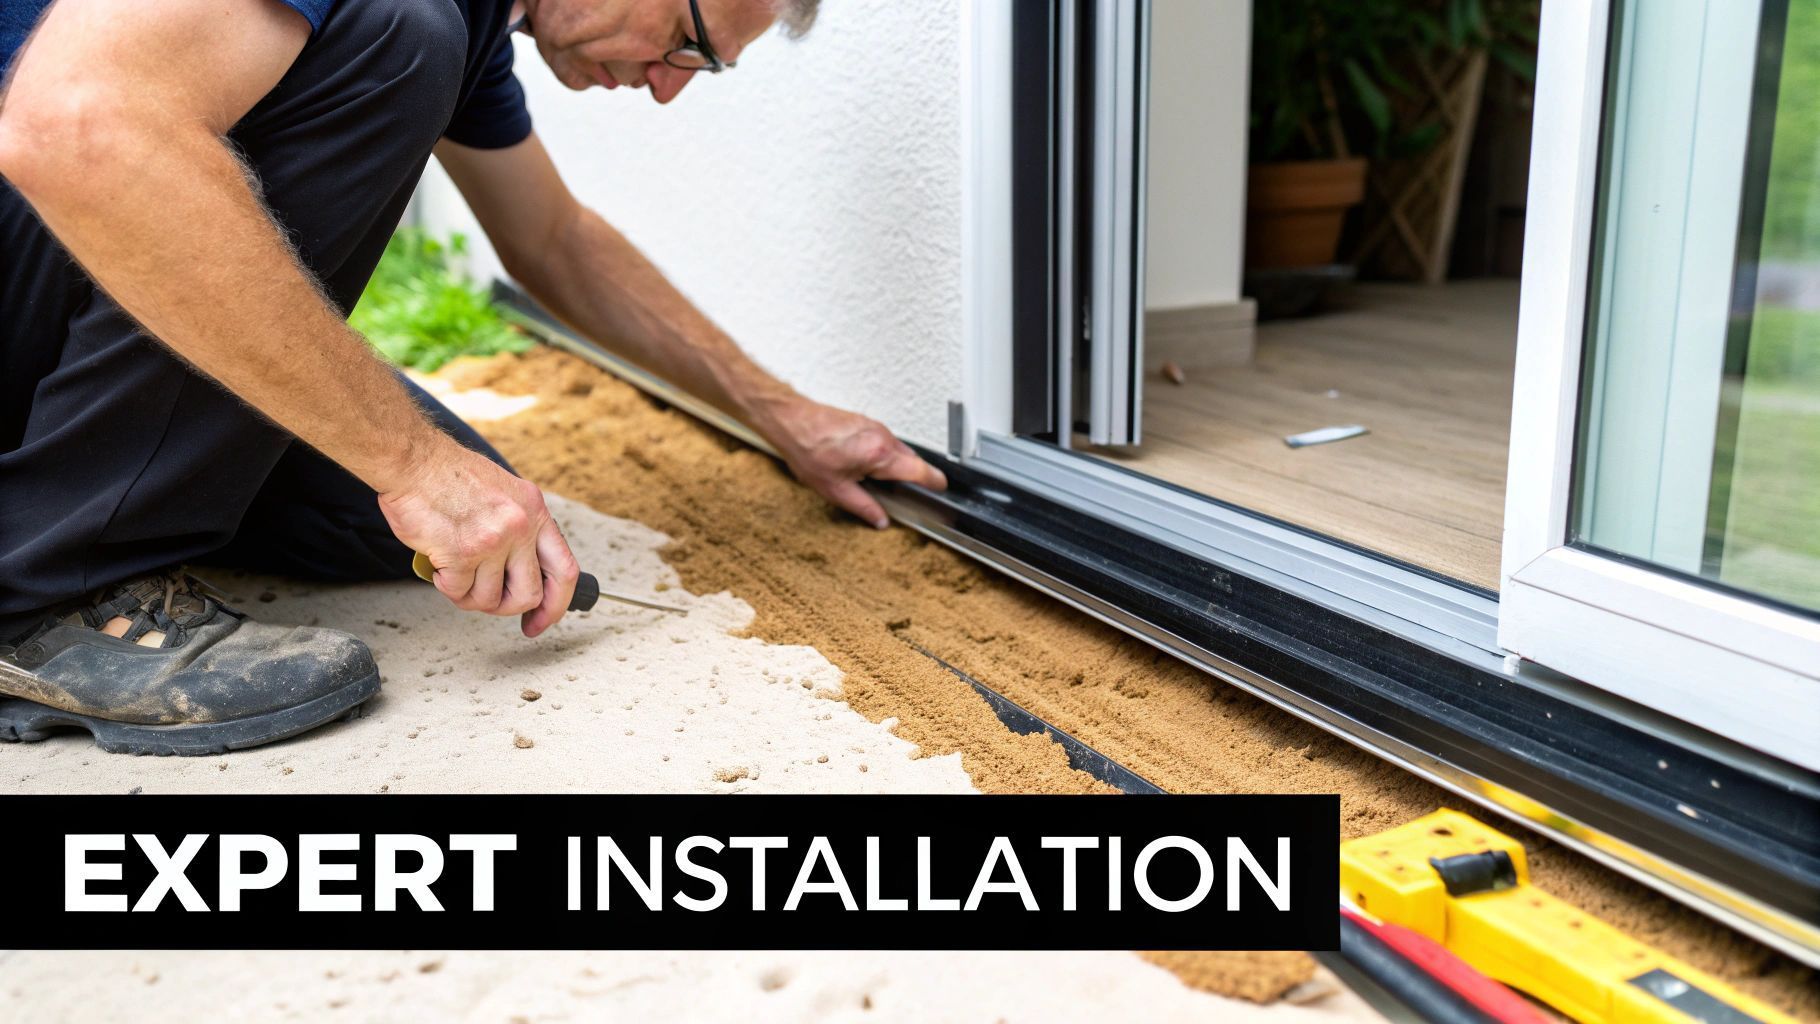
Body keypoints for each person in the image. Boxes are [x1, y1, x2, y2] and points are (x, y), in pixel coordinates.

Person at [0, 0, 948, 755]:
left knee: (428, 527)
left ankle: (71, 492)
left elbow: (553, 238)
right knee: (398, 34)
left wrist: (785, 416)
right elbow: (78, 125)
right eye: (689, 44)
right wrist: (414, 465)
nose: (667, 90)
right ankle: (52, 597)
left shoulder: (481, 20)